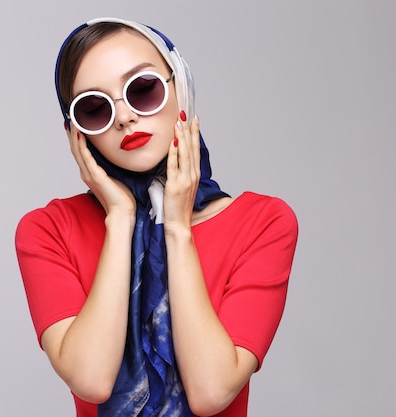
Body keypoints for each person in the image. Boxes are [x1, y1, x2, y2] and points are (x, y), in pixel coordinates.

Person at [15, 17, 298, 417]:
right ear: (77, 133)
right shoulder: (47, 231)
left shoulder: (263, 223)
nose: (124, 118)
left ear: (181, 87)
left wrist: (177, 227)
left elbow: (211, 391)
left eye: (142, 89)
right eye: (94, 108)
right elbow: (92, 379)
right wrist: (119, 218)